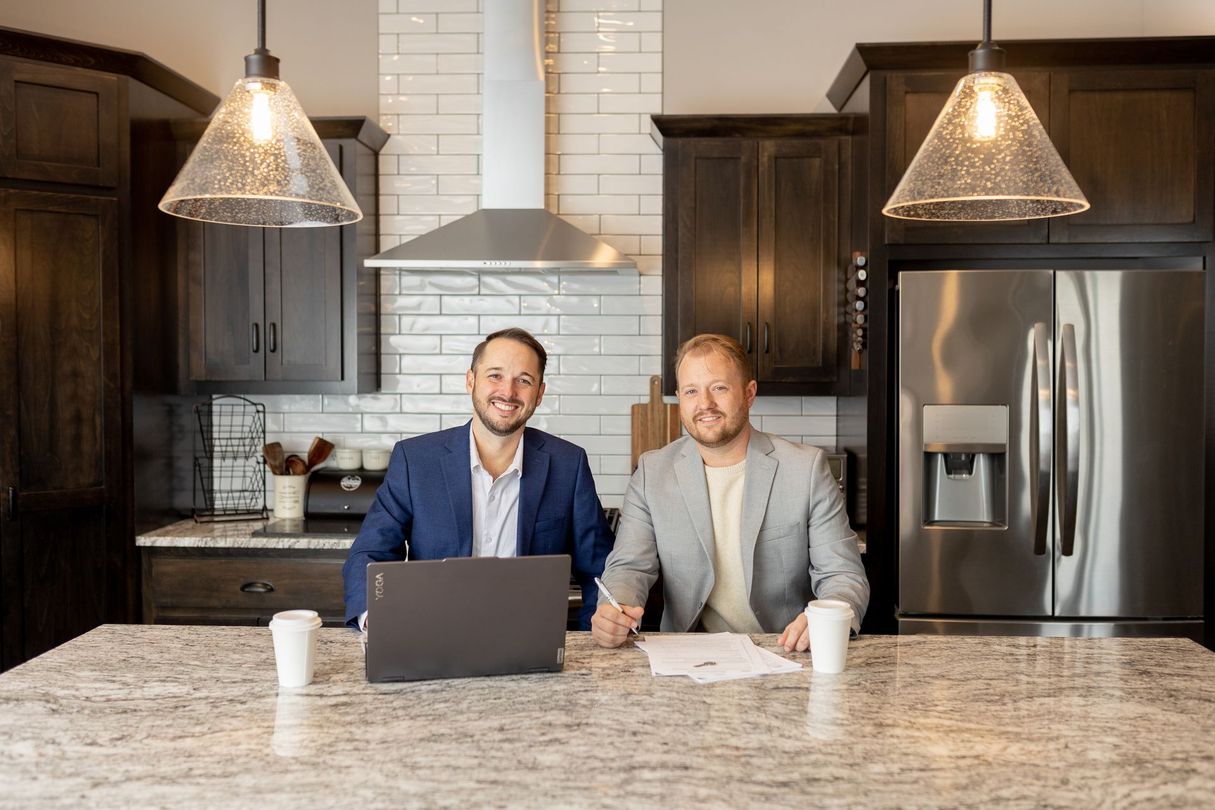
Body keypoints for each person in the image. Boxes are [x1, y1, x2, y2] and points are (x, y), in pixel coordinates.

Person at [591, 333, 869, 651]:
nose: (705, 404)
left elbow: (843, 573)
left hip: (784, 652)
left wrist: (828, 616)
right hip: (688, 658)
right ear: (679, 397)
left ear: (749, 393)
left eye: (719, 388)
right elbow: (629, 567)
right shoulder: (652, 473)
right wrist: (615, 609)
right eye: (691, 391)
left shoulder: (806, 468)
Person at [342, 327, 614, 630]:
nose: (508, 392)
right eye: (495, 375)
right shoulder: (416, 460)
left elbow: (599, 570)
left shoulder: (568, 464)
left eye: (523, 380)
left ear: (539, 394)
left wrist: (597, 630)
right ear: (471, 380)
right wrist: (374, 617)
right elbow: (369, 553)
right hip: (433, 638)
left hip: (531, 643)